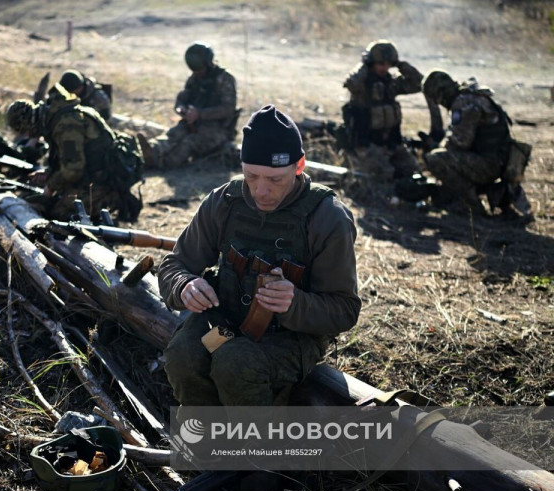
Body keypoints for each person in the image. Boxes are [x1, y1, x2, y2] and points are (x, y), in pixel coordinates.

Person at [158, 105, 360, 412]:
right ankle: (208, 442)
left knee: (235, 363)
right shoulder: (224, 202)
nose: (261, 191)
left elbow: (345, 310)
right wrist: (184, 285)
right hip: (228, 324)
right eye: (251, 176)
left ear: (299, 166)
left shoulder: (327, 218)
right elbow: (175, 264)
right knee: (184, 356)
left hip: (291, 339)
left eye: (275, 180)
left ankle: (256, 453)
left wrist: (295, 303)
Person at [5, 84, 144, 222]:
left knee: (59, 213)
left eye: (25, 131)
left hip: (104, 182)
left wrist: (49, 188)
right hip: (92, 175)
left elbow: (73, 169)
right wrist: (49, 173)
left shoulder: (65, 124)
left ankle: (112, 204)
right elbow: (71, 158)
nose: (28, 136)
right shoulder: (55, 117)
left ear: (29, 124)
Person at [421, 69, 532, 218]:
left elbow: (460, 142)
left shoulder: (463, 102)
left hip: (489, 165)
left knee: (436, 159)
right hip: (500, 162)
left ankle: (471, 206)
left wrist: (437, 148)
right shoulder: (472, 95)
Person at [139, 42, 238, 169]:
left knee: (188, 143)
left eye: (200, 70)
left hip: (218, 130)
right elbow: (182, 99)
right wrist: (182, 109)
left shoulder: (224, 79)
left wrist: (200, 114)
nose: (198, 73)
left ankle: (160, 163)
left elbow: (228, 109)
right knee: (174, 134)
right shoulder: (194, 79)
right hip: (192, 123)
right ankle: (149, 152)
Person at [340, 39, 424, 181]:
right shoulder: (362, 85)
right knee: (384, 175)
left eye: (388, 64)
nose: (384, 68)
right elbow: (351, 83)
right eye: (380, 64)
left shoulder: (391, 83)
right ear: (371, 63)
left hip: (391, 142)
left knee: (411, 170)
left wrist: (400, 64)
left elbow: (418, 83)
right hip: (367, 145)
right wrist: (364, 64)